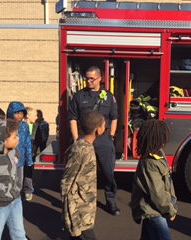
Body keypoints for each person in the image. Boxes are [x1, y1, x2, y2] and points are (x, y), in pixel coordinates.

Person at [68, 66, 120, 216]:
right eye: (87, 78)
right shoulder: (79, 96)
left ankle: (111, 203)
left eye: (92, 78)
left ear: (100, 78)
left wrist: (111, 135)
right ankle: (81, 203)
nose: (89, 81)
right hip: (85, 140)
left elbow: (114, 117)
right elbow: (72, 118)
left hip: (104, 140)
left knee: (108, 173)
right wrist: (77, 139)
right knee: (82, 173)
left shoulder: (109, 96)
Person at [61, 110, 105, 240]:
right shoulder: (81, 150)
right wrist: (70, 215)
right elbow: (67, 183)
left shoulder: (87, 147)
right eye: (103, 125)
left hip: (85, 206)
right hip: (80, 210)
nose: (105, 127)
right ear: (98, 130)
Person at [130, 119, 178, 240]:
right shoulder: (150, 163)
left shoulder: (158, 154)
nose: (165, 142)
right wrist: (170, 210)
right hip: (153, 211)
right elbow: (157, 193)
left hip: (153, 210)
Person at [0, 118, 27, 239]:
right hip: (0, 205)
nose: (18, 139)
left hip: (15, 201)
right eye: (14, 137)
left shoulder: (14, 152)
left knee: (19, 235)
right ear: (3, 140)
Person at [6, 102, 34, 201]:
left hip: (20, 160)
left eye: (21, 113)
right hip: (7, 160)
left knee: (19, 181)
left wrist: (29, 159)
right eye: (16, 113)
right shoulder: (5, 126)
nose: (19, 116)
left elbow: (27, 143)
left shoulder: (25, 126)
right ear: (10, 113)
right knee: (7, 181)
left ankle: (17, 198)